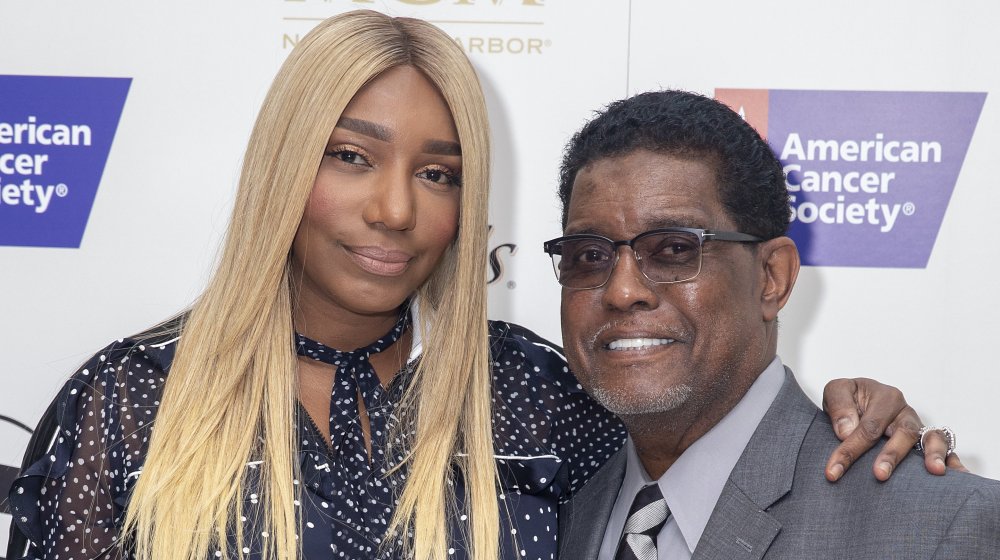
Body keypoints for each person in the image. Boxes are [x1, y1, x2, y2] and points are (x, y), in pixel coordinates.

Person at [7, 12, 956, 560]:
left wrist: (853, 414)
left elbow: (708, 444)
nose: (394, 210)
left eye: (439, 172)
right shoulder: (130, 402)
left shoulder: (536, 396)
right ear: (280, 170)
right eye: (350, 156)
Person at [551, 90, 1000, 559]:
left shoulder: (947, 526)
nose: (622, 291)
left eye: (675, 249)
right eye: (590, 255)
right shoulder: (545, 513)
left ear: (772, 277)